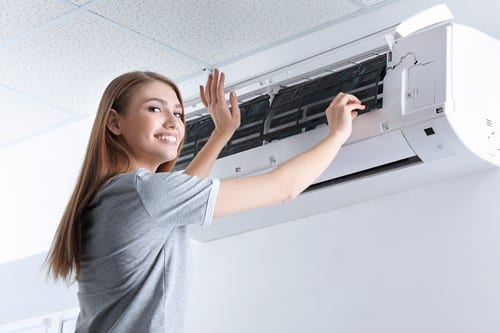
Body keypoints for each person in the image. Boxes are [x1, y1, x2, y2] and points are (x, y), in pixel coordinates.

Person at [45, 69, 365, 332]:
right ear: (115, 122)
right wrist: (337, 134)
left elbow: (177, 198)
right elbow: (283, 188)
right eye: (155, 108)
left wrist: (221, 134)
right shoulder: (146, 191)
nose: (173, 122)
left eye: (179, 113)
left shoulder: (111, 196)